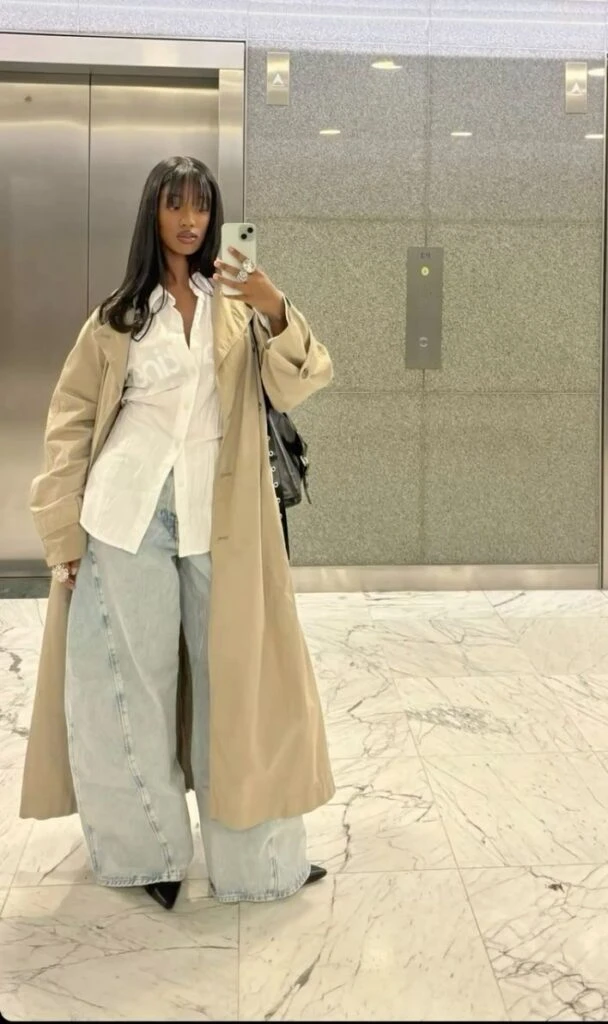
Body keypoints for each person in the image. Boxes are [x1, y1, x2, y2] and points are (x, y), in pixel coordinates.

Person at [19, 155, 335, 908]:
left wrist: (274, 305)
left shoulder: (238, 308)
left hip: (219, 518)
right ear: (152, 214)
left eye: (201, 206)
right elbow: (71, 422)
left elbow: (304, 378)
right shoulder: (117, 316)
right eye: (174, 205)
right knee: (129, 689)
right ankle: (146, 858)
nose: (189, 220)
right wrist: (63, 533)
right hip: (125, 514)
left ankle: (261, 865)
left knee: (241, 690)